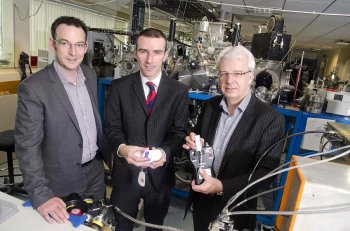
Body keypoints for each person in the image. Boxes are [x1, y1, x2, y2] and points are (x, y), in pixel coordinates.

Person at [15, 16, 106, 224]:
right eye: (65, 43)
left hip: (95, 174)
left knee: (96, 224)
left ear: (85, 47)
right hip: (60, 182)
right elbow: (27, 146)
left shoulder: (90, 75)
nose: (73, 53)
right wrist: (41, 194)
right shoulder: (34, 88)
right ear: (52, 44)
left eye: (79, 45)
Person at [183, 45, 285, 231]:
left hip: (237, 208)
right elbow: (196, 142)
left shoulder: (270, 119)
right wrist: (192, 144)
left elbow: (266, 173)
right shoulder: (209, 107)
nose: (229, 80)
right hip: (202, 202)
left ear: (250, 76)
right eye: (224, 73)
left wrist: (221, 185)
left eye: (238, 73)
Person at [104, 28, 188, 230]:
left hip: (159, 178)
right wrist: (123, 148)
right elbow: (111, 127)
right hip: (125, 176)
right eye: (143, 51)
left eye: (157, 52)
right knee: (121, 225)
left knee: (155, 226)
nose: (150, 59)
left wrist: (163, 152)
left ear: (166, 54)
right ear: (135, 52)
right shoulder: (119, 87)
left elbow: (179, 132)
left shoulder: (178, 91)